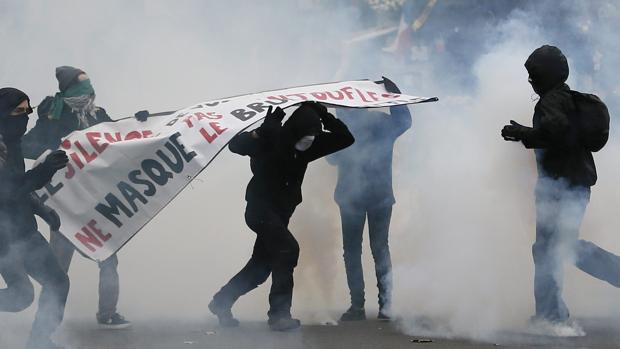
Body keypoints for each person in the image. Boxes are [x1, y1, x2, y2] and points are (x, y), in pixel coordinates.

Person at [502, 45, 620, 330]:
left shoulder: (551, 102)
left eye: (534, 75)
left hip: (561, 186)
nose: (531, 80)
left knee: (558, 248)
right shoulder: (566, 98)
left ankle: (551, 313)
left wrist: (522, 133)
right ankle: (550, 312)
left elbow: (554, 132)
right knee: (551, 248)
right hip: (571, 184)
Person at [209, 102, 355, 331]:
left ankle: (221, 302)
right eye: (305, 136)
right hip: (259, 210)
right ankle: (279, 316)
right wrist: (261, 131)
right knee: (287, 250)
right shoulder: (272, 138)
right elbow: (235, 144)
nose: (308, 142)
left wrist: (323, 114)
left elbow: (345, 138)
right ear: (294, 131)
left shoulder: (311, 144)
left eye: (313, 136)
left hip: (280, 214)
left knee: (260, 268)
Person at [22, 66, 147, 329]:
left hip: (97, 200)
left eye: (89, 85)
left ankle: (108, 313)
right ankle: (45, 323)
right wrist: (53, 154)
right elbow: (27, 145)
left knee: (108, 256)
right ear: (68, 90)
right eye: (81, 87)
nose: (88, 92)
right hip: (65, 203)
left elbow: (119, 137)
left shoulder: (98, 114)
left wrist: (140, 124)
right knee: (58, 265)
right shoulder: (51, 116)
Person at [327, 77, 411, 321]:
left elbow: (331, 160)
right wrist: (394, 93)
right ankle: (385, 307)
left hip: (355, 196)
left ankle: (357, 307)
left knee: (353, 251)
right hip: (378, 195)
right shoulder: (381, 123)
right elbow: (404, 121)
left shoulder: (342, 130)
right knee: (380, 249)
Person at [0, 87, 70, 349]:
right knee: (21, 297)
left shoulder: (14, 144)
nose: (25, 116)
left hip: (24, 230)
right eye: (19, 111)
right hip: (4, 239)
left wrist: (42, 209)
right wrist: (45, 171)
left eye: (27, 110)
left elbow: (18, 190)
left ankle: (40, 341)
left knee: (57, 283)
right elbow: (7, 191)